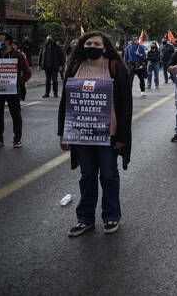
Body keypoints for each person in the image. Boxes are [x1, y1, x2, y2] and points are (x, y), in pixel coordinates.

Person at [58, 31, 132, 237]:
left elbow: (126, 105)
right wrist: (62, 133)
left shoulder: (116, 68)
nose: (92, 46)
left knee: (108, 175)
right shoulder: (74, 68)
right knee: (87, 175)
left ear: (105, 47)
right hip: (81, 135)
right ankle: (85, 219)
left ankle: (111, 217)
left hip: (108, 134)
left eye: (96, 43)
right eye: (88, 43)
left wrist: (122, 137)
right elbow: (65, 102)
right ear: (82, 46)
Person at [0, 32, 31, 148]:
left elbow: (28, 73)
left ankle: (17, 139)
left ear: (7, 42)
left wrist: (16, 82)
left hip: (13, 90)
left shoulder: (18, 55)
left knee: (15, 115)